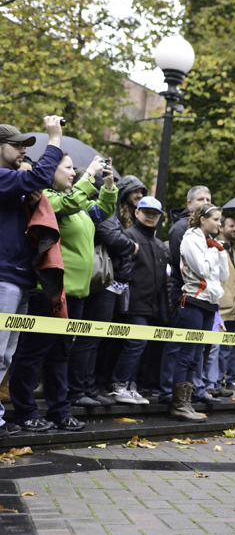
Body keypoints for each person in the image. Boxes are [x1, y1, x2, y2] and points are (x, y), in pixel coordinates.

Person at [10, 153, 117, 432]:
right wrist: (89, 173)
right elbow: (69, 203)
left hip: (76, 294)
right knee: (33, 353)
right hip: (50, 292)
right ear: (50, 172)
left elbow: (101, 212)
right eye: (67, 168)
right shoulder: (45, 198)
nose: (73, 172)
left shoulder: (78, 205)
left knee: (60, 354)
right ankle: (24, 411)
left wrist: (108, 185)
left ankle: (59, 410)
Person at [0, 116, 65, 439]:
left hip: (19, 279)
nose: (23, 150)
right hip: (4, 279)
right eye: (17, 145)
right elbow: (42, 176)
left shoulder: (12, 181)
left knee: (6, 356)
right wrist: (54, 139)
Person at [68, 170, 140, 406]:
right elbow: (112, 237)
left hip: (107, 279)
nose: (113, 186)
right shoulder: (97, 208)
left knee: (94, 338)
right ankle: (78, 389)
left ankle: (88, 387)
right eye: (108, 182)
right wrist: (132, 246)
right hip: (101, 280)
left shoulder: (102, 208)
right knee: (89, 338)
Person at [170, 203, 229, 422]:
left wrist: (220, 251)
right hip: (193, 302)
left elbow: (223, 275)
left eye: (220, 220)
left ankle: (187, 404)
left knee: (197, 357)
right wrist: (214, 249)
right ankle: (179, 405)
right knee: (187, 355)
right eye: (216, 219)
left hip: (209, 304)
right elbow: (202, 270)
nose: (219, 224)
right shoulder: (190, 239)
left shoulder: (210, 243)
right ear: (203, 219)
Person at [107, 197, 170, 398]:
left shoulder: (159, 245)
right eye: (146, 212)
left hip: (152, 306)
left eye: (155, 214)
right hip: (132, 303)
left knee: (141, 347)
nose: (150, 217)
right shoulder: (128, 236)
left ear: (159, 217)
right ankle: (119, 383)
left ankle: (130, 385)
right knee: (136, 344)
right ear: (137, 213)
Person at [159, 186, 212, 404]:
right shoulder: (181, 228)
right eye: (200, 199)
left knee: (197, 346)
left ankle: (193, 388)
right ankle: (167, 390)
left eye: (208, 199)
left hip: (203, 296)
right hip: (185, 293)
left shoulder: (206, 230)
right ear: (189, 204)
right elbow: (180, 263)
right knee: (179, 344)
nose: (205, 202)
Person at [217, 215, 235, 392]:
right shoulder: (214, 247)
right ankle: (216, 381)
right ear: (220, 228)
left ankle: (231, 379)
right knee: (220, 348)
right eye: (231, 226)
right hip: (221, 307)